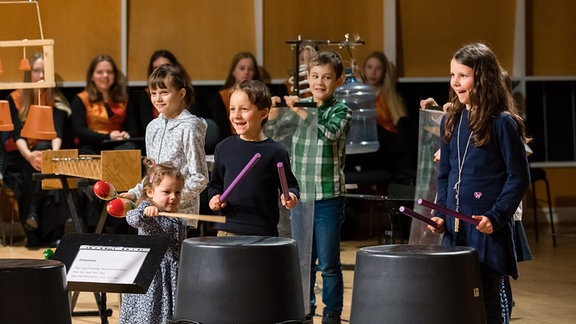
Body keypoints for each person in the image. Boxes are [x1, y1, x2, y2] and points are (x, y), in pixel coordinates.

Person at [425, 43, 531, 324]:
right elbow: (445, 175)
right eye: (452, 75)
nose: (455, 82)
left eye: (463, 75)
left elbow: (518, 178)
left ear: (482, 78)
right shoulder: (451, 119)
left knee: (488, 305)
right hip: (455, 232)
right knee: (455, 301)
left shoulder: (503, 123)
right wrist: (440, 214)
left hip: (486, 231)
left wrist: (495, 217)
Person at [270, 50, 352, 324]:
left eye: (327, 77)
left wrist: (300, 111)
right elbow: (274, 131)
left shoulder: (341, 110)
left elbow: (328, 134)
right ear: (307, 78)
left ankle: (331, 313)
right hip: (301, 197)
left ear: (338, 80)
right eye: (315, 76)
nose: (319, 82)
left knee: (328, 263)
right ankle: (305, 308)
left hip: (328, 196)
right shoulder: (300, 108)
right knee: (304, 260)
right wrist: (273, 113)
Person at [119, 64, 208, 228]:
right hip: (153, 214)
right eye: (153, 93)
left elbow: (199, 178)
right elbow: (152, 175)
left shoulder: (190, 127)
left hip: (179, 218)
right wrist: (135, 193)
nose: (158, 99)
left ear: (181, 94)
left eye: (164, 92)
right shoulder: (152, 127)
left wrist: (170, 199)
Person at [208, 79, 299, 236]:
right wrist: (214, 198)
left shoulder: (276, 152)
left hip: (263, 232)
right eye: (232, 109)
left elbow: (291, 186)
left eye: (244, 109)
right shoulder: (223, 148)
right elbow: (215, 184)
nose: (236, 115)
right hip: (228, 229)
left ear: (263, 113)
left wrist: (291, 196)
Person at [3, 52, 71, 248]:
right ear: (28, 73)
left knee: (45, 160)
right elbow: (17, 135)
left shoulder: (56, 99)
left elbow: (57, 135)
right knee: (32, 172)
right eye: (36, 71)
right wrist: (30, 156)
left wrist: (51, 157)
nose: (40, 75)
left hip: (48, 153)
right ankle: (44, 229)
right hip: (22, 154)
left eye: (44, 71)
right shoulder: (14, 98)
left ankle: (33, 216)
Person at [119, 160, 186, 324]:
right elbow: (131, 218)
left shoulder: (177, 216)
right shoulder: (147, 211)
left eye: (177, 192)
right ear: (150, 192)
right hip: (154, 275)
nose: (173, 197)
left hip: (175, 274)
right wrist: (145, 212)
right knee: (150, 315)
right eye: (167, 192)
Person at [70, 54, 138, 155]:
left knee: (131, 148)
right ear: (92, 76)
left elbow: (133, 129)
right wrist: (108, 136)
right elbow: (79, 130)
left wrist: (127, 134)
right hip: (92, 145)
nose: (105, 75)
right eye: (99, 72)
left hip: (117, 144)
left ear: (115, 76)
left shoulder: (124, 99)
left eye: (109, 72)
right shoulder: (81, 99)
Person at [211, 52, 264, 140]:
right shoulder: (221, 97)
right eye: (242, 68)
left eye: (250, 69)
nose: (246, 72)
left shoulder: (261, 96)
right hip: (231, 139)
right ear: (234, 71)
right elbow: (222, 129)